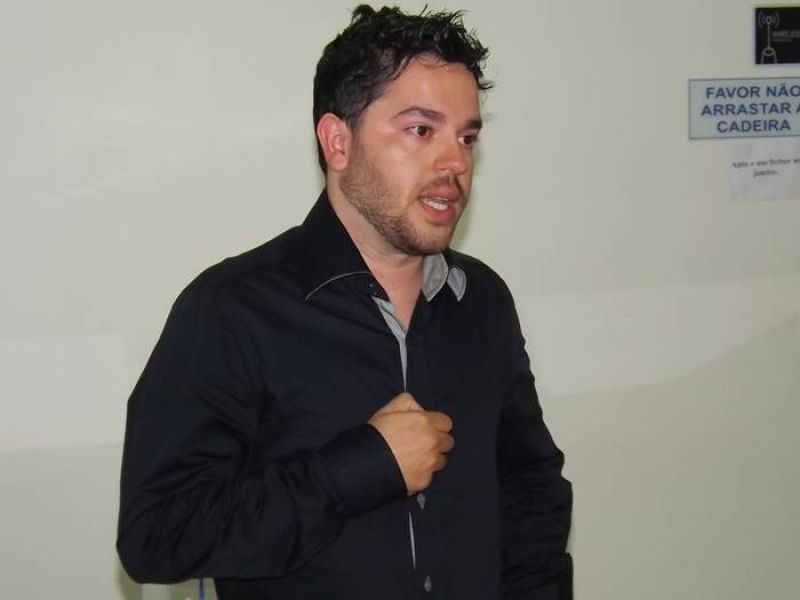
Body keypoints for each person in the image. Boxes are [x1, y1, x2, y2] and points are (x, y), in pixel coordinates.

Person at [117, 5, 572, 599]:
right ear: (338, 142)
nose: (455, 162)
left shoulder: (482, 300)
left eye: (466, 137)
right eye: (421, 130)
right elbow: (157, 535)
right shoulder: (232, 311)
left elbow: (529, 490)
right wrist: (360, 470)